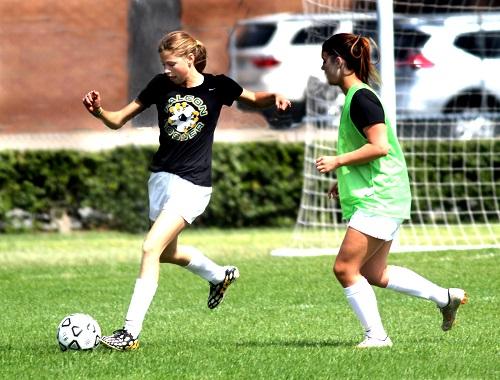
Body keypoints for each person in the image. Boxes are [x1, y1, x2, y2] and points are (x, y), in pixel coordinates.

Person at [82, 30, 291, 351]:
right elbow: (118, 119)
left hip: (193, 183)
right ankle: (219, 275)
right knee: (167, 252)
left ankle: (129, 333)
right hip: (161, 179)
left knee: (151, 247)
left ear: (190, 59)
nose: (167, 69)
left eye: (172, 63)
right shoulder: (159, 85)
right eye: (164, 64)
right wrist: (99, 112)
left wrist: (274, 96)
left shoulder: (218, 85)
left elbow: (252, 98)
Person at [315, 33, 467, 348]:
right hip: (385, 194)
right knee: (375, 272)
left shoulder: (361, 98)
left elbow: (380, 147)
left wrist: (338, 161)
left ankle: (377, 337)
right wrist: (343, 175)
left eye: (325, 59)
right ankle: (444, 297)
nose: (322, 67)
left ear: (339, 61)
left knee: (345, 268)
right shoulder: (356, 96)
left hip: (380, 196)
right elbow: (369, 148)